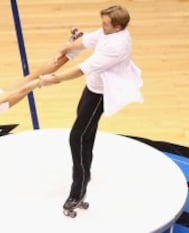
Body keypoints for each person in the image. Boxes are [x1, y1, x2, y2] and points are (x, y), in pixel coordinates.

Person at [39, 5, 144, 214]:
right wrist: (66, 49)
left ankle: (77, 190)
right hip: (92, 87)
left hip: (100, 94)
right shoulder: (108, 32)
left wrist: (56, 79)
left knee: (76, 137)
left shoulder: (118, 45)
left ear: (118, 27)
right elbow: (88, 39)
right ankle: (86, 172)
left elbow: (83, 68)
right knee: (86, 133)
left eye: (105, 23)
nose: (102, 26)